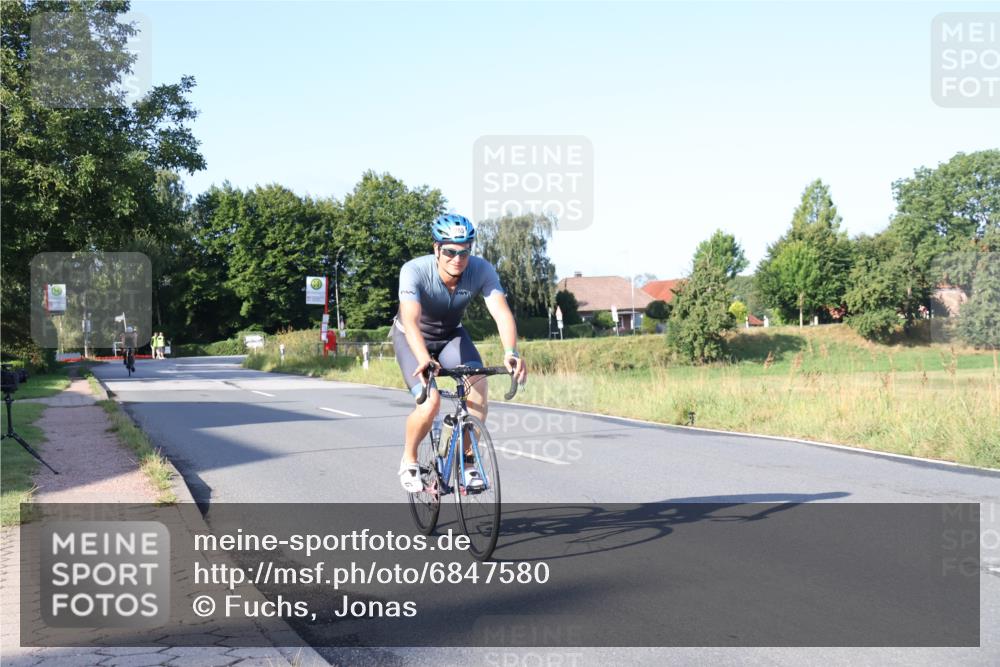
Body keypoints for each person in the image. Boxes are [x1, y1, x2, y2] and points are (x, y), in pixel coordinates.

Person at [393, 214, 527, 493]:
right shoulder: (414, 271)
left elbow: (501, 312)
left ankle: (467, 461)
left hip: (451, 335)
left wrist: (511, 351)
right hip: (412, 338)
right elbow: (410, 320)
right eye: (450, 251)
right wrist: (424, 359)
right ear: (436, 249)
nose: (458, 258)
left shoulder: (481, 270)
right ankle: (410, 458)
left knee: (477, 386)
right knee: (429, 403)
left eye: (465, 251)